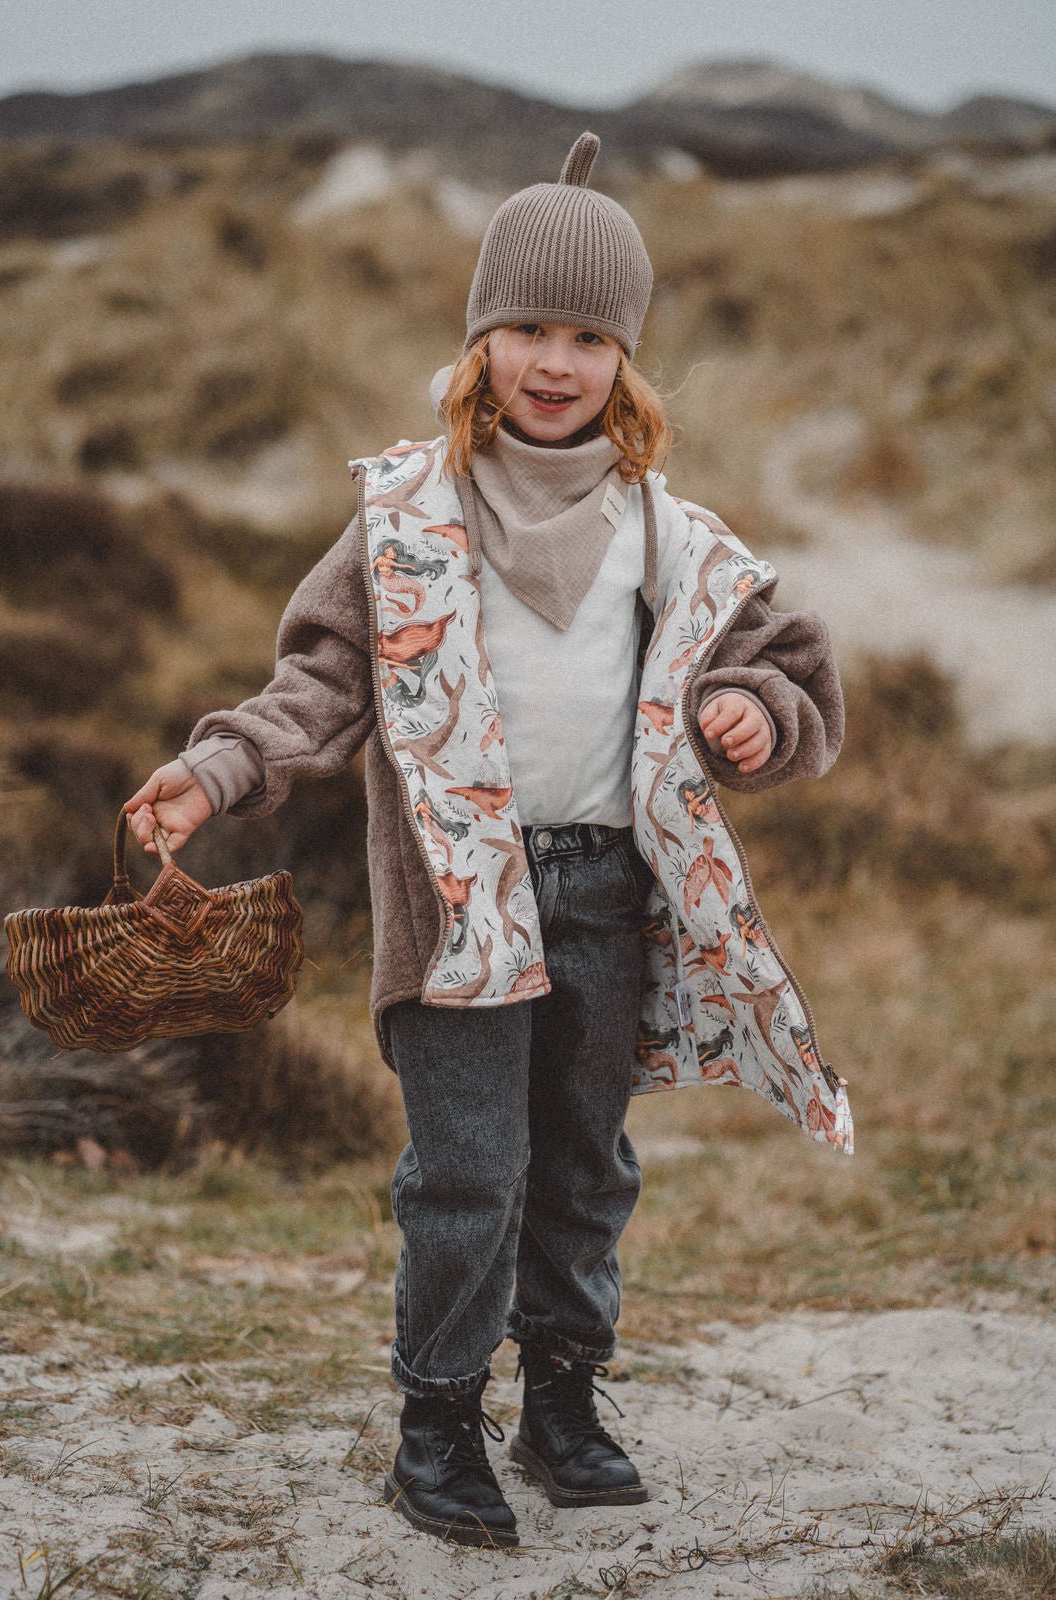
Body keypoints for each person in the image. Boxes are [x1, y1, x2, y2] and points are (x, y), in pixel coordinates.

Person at [125, 132, 851, 1551]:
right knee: (467, 1175)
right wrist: (219, 769)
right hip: (463, 902)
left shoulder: (672, 536)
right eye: (527, 325)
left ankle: (564, 1403)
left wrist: (751, 711)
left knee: (584, 1169)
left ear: (627, 363)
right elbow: (319, 684)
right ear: (480, 341)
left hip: (607, 891)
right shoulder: (405, 518)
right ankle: (438, 1422)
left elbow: (781, 670)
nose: (555, 358)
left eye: (590, 335)